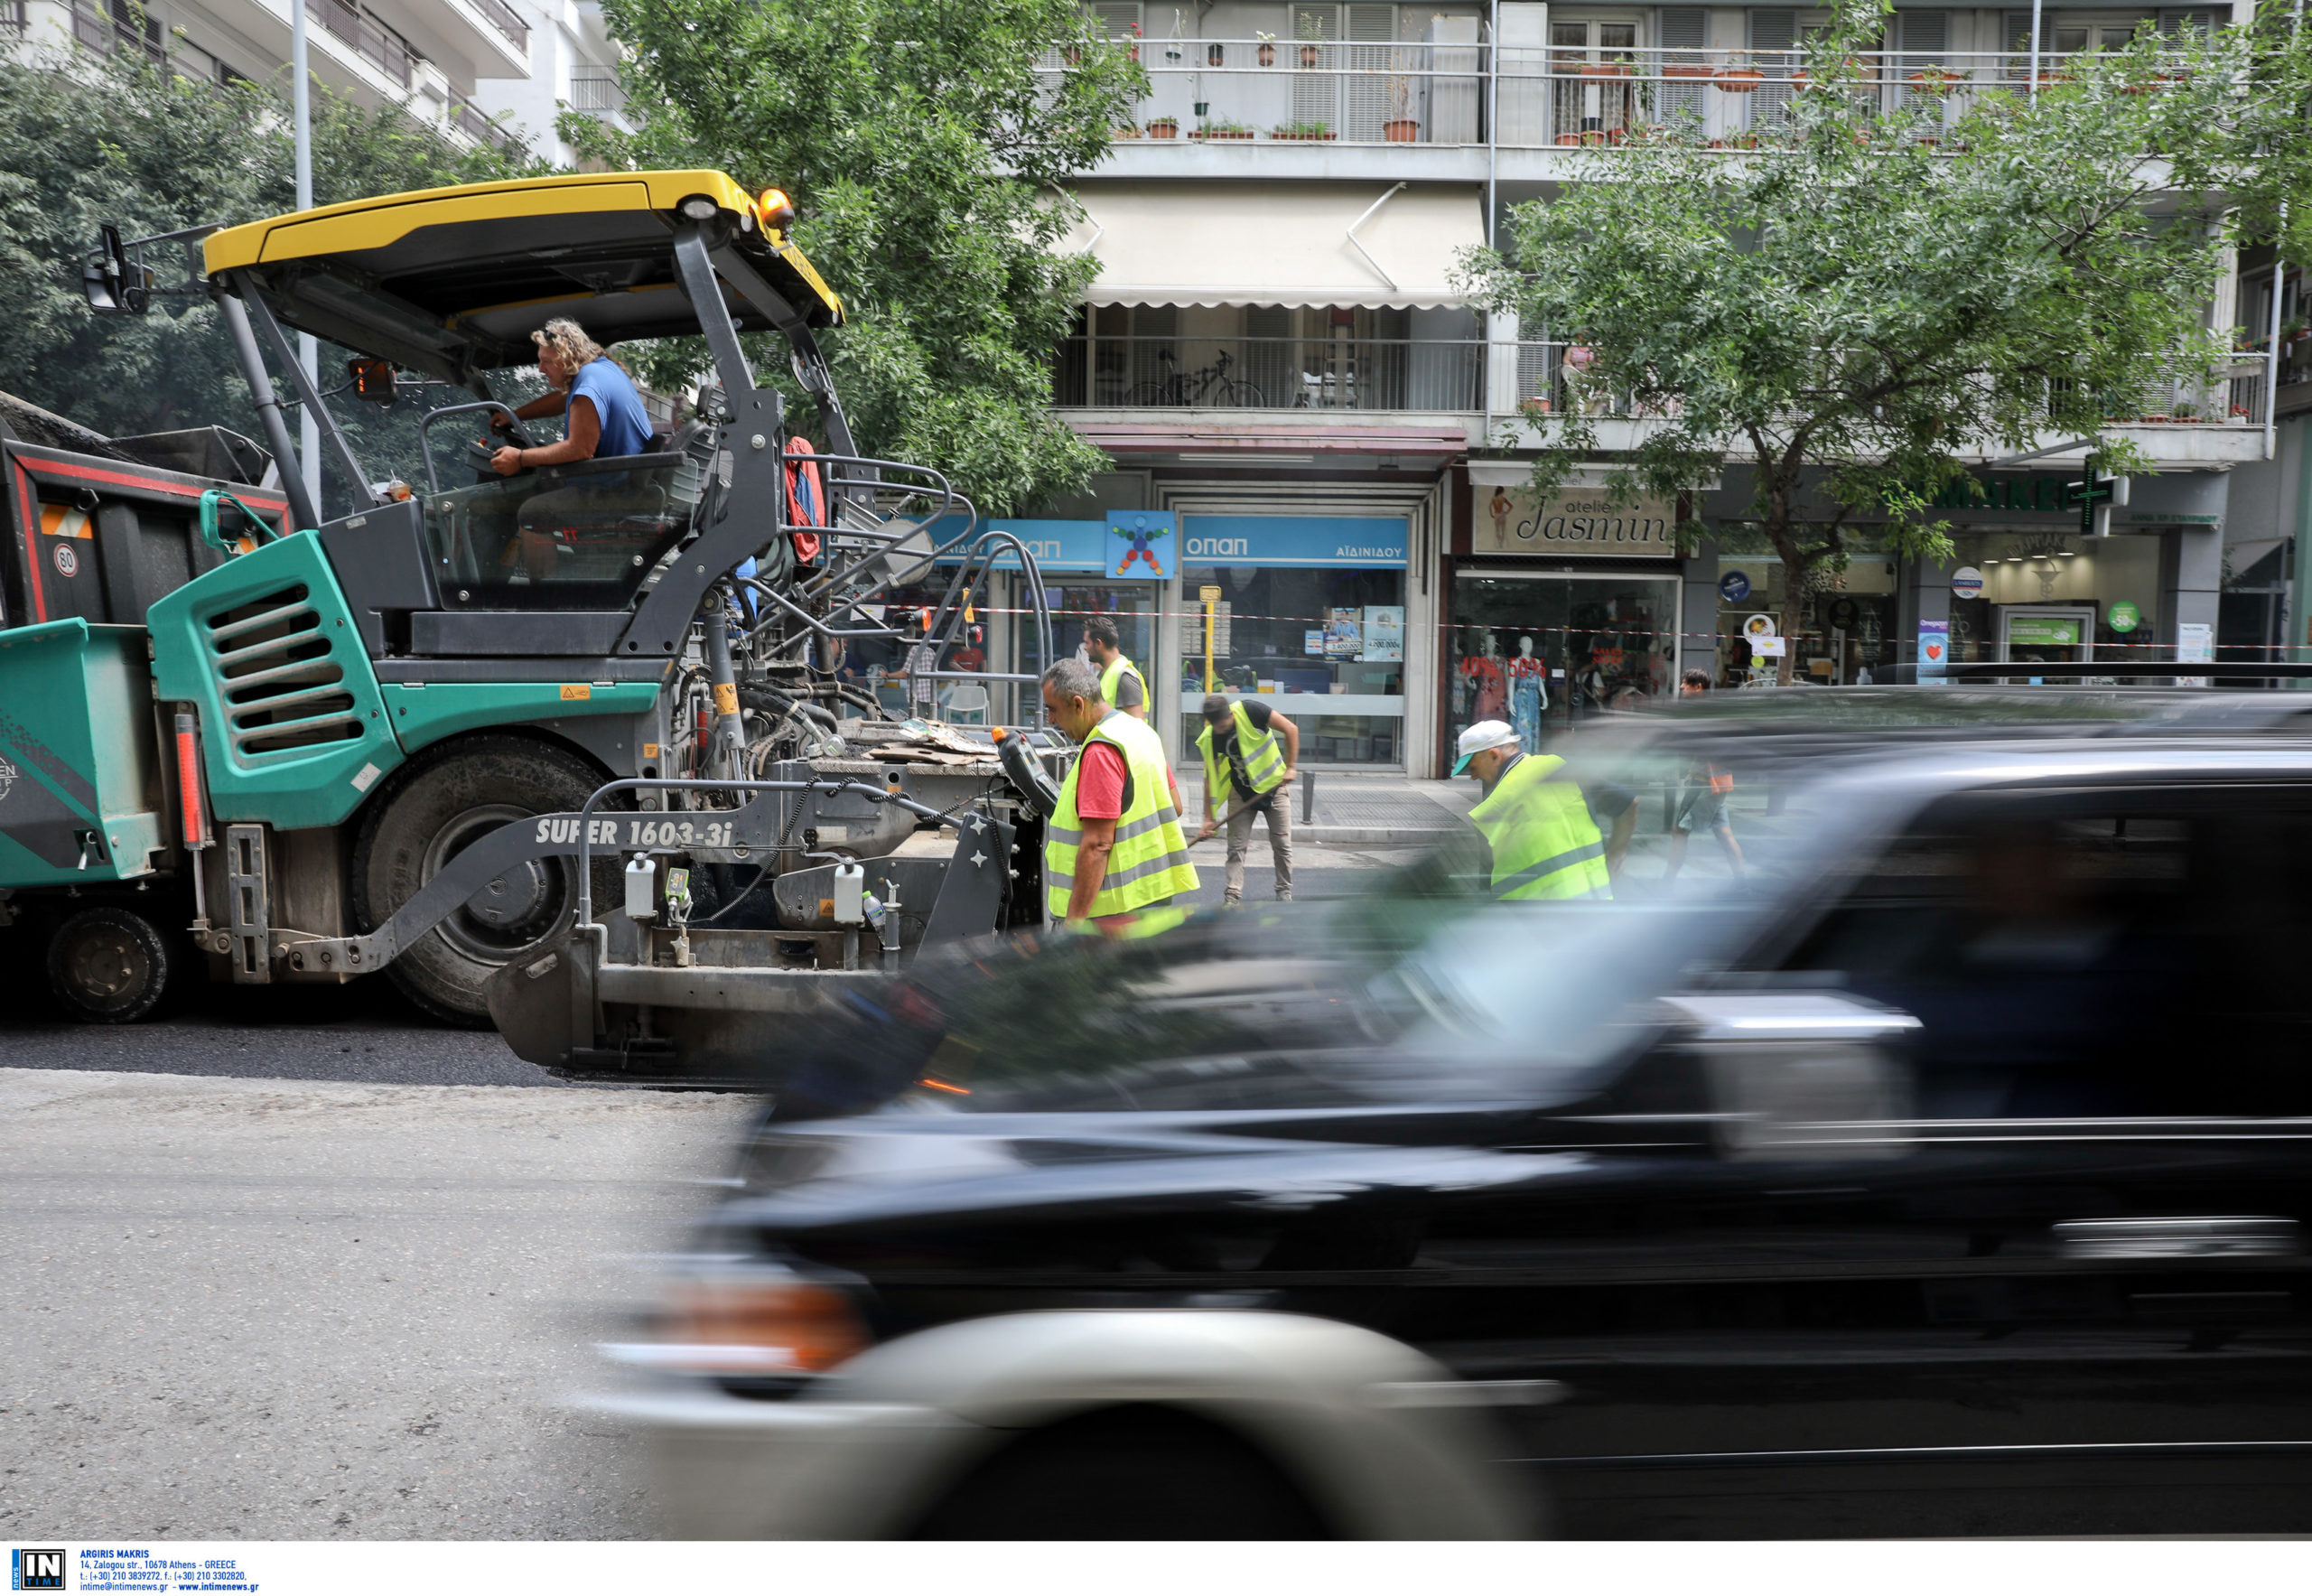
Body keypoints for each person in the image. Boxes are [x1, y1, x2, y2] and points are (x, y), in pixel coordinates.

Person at [485, 319, 659, 583]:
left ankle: (546, 596)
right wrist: (515, 416)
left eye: (546, 361)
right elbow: (565, 399)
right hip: (623, 482)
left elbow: (580, 449)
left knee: (531, 513)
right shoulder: (600, 370)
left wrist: (520, 458)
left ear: (567, 356)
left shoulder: (589, 386)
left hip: (612, 491)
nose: (540, 368)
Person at [1039, 658, 1198, 929]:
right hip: (1153, 898)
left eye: (1052, 710)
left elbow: (1097, 845)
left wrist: (1073, 927)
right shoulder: (1140, 732)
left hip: (1110, 913)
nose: (1051, 720)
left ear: (1078, 704)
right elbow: (1176, 805)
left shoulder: (1102, 750)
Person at [1452, 720, 1619, 901]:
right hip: (1598, 905)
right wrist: (1617, 855)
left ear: (1494, 755)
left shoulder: (1491, 811)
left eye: (1473, 768)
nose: (1473, 776)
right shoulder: (1560, 766)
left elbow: (1485, 881)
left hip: (1540, 916)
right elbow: (1628, 802)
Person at [1193, 694, 1299, 905]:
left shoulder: (1251, 711)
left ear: (1231, 714)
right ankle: (1232, 895)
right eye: (1217, 728)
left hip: (1274, 787)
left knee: (1281, 844)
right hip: (1241, 792)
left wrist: (1291, 766)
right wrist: (1207, 818)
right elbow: (1209, 779)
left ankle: (1284, 890)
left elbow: (1291, 729)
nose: (1221, 731)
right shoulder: (1212, 735)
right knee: (1236, 847)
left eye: (1224, 726)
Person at [1664, 669, 1747, 883]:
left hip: (1704, 784)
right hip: (1715, 784)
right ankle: (1742, 883)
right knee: (1724, 835)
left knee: (1679, 832)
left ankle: (1666, 883)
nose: (1681, 687)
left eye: (1685, 683)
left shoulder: (1705, 712)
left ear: (1698, 686)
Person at [1083, 614, 1150, 720]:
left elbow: (1136, 728)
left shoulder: (1125, 677)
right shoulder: (1105, 673)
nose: (1085, 648)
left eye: (1087, 643)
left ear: (1099, 643)